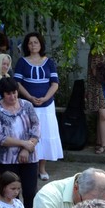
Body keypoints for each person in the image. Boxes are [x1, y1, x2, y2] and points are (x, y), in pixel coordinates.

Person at [0, 77, 41, 208]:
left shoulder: (27, 105)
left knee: (30, 194)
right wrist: (22, 143)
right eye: (8, 94)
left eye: (14, 93)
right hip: (7, 160)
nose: (12, 97)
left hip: (30, 157)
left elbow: (36, 128)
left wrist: (26, 148)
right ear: (2, 94)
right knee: (12, 195)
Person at [14, 32, 63, 181]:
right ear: (26, 46)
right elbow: (17, 83)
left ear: (41, 44)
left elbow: (55, 83)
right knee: (29, 134)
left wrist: (46, 97)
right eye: (30, 43)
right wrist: (29, 97)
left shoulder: (49, 62)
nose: (33, 45)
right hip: (28, 105)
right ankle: (30, 167)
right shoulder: (22, 62)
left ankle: (42, 168)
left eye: (36, 42)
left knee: (44, 135)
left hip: (46, 105)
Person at [85, 47, 105, 153]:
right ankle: (103, 145)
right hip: (100, 88)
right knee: (103, 115)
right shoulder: (96, 52)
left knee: (102, 116)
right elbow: (95, 72)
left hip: (104, 88)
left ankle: (100, 143)